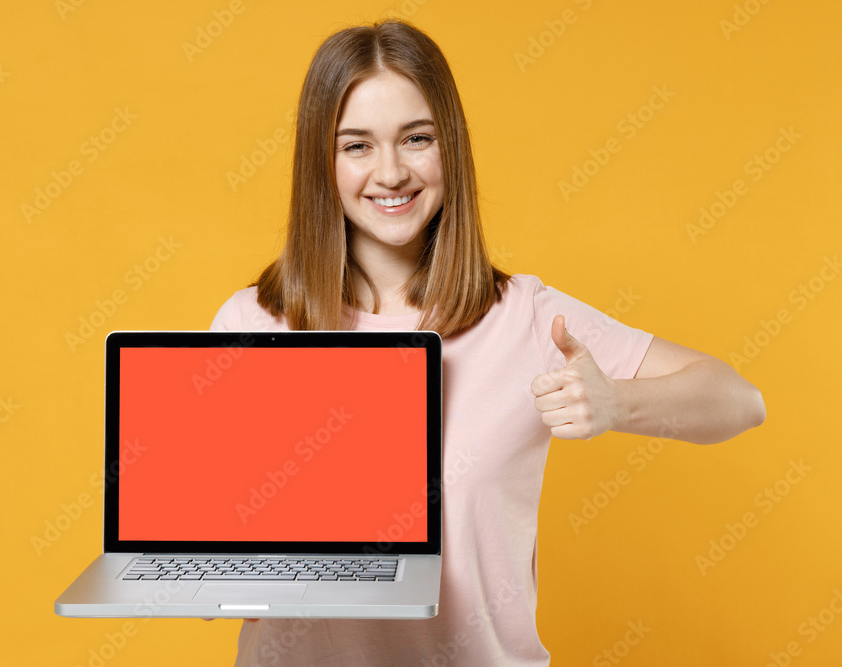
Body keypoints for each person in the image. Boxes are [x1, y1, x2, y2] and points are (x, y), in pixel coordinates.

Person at [209, 19, 765, 666]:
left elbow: (739, 400)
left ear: (451, 148)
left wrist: (617, 402)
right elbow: (239, 562)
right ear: (319, 161)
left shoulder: (524, 315)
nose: (390, 173)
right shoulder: (252, 322)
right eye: (356, 145)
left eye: (417, 139)